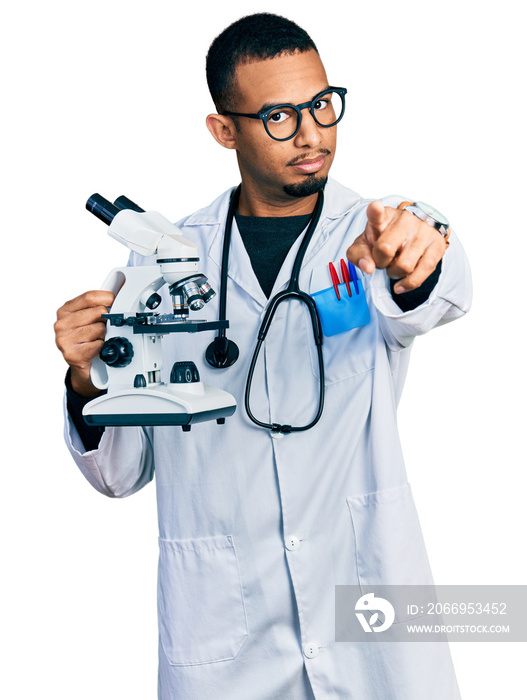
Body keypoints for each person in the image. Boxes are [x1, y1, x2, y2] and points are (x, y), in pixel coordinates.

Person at [55, 12, 472, 700]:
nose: (311, 134)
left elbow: (439, 288)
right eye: (278, 116)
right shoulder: (161, 260)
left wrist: (419, 257)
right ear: (225, 130)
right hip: (225, 628)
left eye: (320, 105)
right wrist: (82, 376)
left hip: (365, 608)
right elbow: (119, 473)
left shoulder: (371, 227)